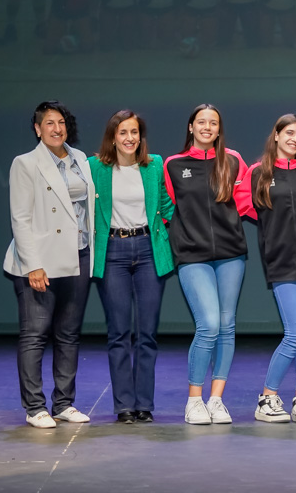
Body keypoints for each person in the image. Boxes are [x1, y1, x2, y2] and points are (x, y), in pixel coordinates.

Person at [4, 101, 94, 428]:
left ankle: (64, 403)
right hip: (41, 261)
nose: (57, 129)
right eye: (49, 123)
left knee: (68, 334)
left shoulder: (80, 159)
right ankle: (35, 407)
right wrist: (33, 265)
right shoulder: (25, 164)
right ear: (38, 129)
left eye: (61, 123)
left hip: (79, 255)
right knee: (35, 334)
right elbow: (20, 218)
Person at [237, 115, 296, 424]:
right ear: (276, 135)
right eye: (289, 133)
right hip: (282, 261)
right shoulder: (257, 173)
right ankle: (267, 397)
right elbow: (243, 207)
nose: (295, 139)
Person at [163, 104, 250, 425]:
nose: (207, 127)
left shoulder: (233, 161)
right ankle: (194, 400)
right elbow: (167, 208)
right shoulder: (173, 165)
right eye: (201, 122)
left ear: (218, 129)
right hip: (192, 256)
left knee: (227, 326)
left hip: (231, 255)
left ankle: (216, 400)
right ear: (190, 127)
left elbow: (243, 204)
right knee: (209, 324)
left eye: (213, 123)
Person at [88, 110, 174, 423]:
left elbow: (166, 206)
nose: (129, 138)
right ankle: (124, 405)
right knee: (119, 333)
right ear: (113, 136)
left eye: (134, 132)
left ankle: (144, 405)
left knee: (147, 333)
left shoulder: (154, 166)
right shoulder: (95, 166)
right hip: (113, 251)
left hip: (148, 250)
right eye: (123, 132)